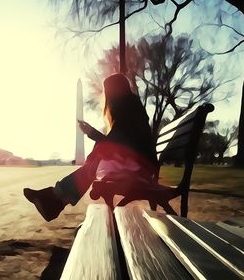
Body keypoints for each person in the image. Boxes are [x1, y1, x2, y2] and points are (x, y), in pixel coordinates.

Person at [23, 73, 157, 221]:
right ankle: (56, 200)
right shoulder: (131, 105)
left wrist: (92, 134)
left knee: (96, 159)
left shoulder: (127, 106)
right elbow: (119, 143)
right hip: (140, 164)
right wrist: (91, 133)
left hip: (141, 168)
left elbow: (116, 144)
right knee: (96, 160)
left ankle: (56, 200)